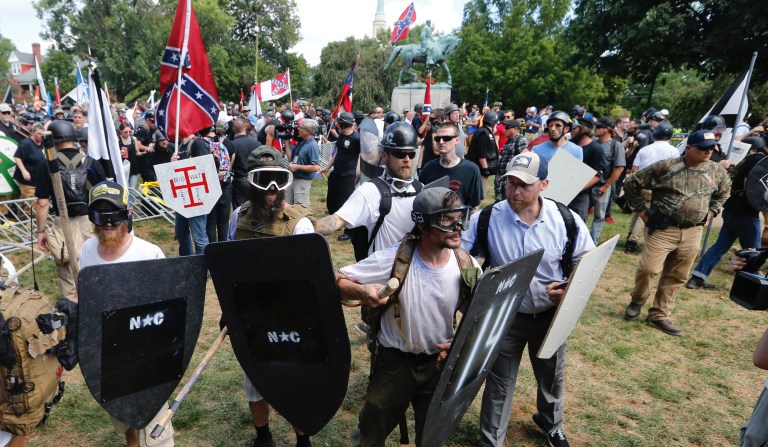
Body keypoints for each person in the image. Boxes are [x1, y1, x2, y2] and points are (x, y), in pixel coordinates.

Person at [461, 151, 594, 447]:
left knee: (551, 376)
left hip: (550, 317)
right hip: (506, 318)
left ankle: (551, 423)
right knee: (499, 383)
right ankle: (490, 441)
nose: (515, 191)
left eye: (524, 185)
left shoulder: (566, 219)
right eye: (510, 183)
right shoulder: (487, 218)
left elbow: (588, 260)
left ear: (544, 185)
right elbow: (459, 254)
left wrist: (569, 288)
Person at [337, 186, 479, 446]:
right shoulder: (392, 260)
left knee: (433, 434)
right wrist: (361, 290)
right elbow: (337, 280)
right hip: (394, 364)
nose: (457, 226)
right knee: (372, 430)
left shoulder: (466, 264)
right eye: (446, 220)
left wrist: (460, 346)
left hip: (439, 364)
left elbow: (480, 315)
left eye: (459, 217)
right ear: (423, 226)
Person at [227, 146, 313, 447]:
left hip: (289, 318)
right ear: (252, 182)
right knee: (255, 381)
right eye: (264, 180)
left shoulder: (299, 224)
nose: (272, 189)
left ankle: (303, 438)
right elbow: (229, 266)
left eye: (278, 179)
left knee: (294, 381)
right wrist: (231, 308)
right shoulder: (238, 218)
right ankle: (263, 436)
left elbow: (311, 282)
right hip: (252, 317)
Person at [78, 180, 172, 447]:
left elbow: (167, 310)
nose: (108, 223)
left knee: (154, 427)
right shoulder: (86, 251)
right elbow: (86, 300)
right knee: (121, 416)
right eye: (101, 215)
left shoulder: (149, 253)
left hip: (147, 353)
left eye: (115, 214)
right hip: (109, 355)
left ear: (128, 213)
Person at [622, 129, 730, 336]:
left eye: (711, 148)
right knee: (648, 269)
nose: (708, 152)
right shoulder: (667, 166)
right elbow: (631, 182)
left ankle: (659, 314)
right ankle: (637, 300)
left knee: (677, 275)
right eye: (703, 148)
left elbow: (723, 193)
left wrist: (711, 213)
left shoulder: (717, 171)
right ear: (689, 148)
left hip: (693, 231)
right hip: (664, 229)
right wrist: (642, 212)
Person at [315, 122, 422, 258]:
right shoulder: (370, 191)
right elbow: (337, 220)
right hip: (380, 274)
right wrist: (305, 226)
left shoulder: (421, 190)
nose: (407, 159)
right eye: (400, 153)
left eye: (411, 154)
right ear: (384, 155)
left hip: (414, 274)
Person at [35, 120, 107, 300]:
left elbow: (43, 203)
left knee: (67, 270)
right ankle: (97, 301)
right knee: (95, 262)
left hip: (62, 222)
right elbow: (103, 196)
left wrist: (41, 231)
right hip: (90, 221)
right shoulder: (92, 163)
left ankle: (72, 310)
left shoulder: (46, 165)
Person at [685, 136, 767, 289]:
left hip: (734, 209)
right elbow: (750, 186)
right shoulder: (759, 160)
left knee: (720, 246)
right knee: (754, 253)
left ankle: (696, 279)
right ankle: (754, 288)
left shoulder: (753, 157)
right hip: (745, 212)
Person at [624, 121, 679, 253]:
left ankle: (630, 235)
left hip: (640, 185)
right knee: (645, 215)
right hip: (658, 188)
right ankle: (632, 240)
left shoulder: (645, 149)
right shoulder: (674, 151)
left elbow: (634, 169)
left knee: (638, 211)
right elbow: (674, 172)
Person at [420, 122, 483, 209]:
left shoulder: (471, 169)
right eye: (437, 138)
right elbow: (421, 199)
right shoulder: (428, 167)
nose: (441, 142)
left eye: (446, 138)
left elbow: (475, 206)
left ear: (457, 140)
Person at [171, 128, 212, 256]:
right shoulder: (180, 145)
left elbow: (206, 168)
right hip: (183, 195)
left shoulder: (197, 143)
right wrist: (173, 165)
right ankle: (187, 263)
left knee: (199, 238)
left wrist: (181, 164)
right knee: (181, 233)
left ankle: (204, 267)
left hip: (196, 197)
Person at [322, 112, 360, 241]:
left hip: (348, 175)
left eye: (339, 123)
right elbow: (336, 153)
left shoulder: (357, 139)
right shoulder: (341, 137)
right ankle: (335, 223)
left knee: (347, 203)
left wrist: (358, 171)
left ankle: (350, 231)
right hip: (336, 173)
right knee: (332, 200)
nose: (337, 125)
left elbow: (362, 155)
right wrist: (327, 167)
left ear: (343, 124)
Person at [591, 117, 626, 242]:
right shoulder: (592, 142)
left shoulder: (616, 145)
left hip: (602, 186)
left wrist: (606, 186)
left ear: (607, 129)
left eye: (599, 127)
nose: (596, 129)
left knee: (599, 216)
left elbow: (619, 168)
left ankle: (592, 242)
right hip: (586, 185)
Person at [567, 118, 608, 223]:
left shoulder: (596, 149)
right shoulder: (568, 145)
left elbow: (598, 174)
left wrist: (576, 188)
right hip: (561, 192)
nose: (571, 130)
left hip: (580, 197)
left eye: (574, 128)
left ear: (583, 129)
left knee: (576, 225)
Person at [287, 118, 321, 206]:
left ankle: (306, 220)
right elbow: (291, 159)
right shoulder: (302, 142)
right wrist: (286, 142)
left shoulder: (312, 146)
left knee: (301, 207)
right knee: (288, 204)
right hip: (294, 178)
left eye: (300, 127)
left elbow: (316, 167)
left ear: (308, 131)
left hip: (303, 180)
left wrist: (297, 167)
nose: (298, 129)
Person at [230, 117, 261, 209]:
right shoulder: (256, 144)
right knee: (255, 209)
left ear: (233, 129)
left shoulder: (232, 145)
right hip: (255, 180)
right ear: (245, 127)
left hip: (240, 181)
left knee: (239, 211)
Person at [495, 119, 528, 201]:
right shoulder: (509, 142)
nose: (504, 130)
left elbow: (524, 161)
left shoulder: (521, 140)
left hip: (512, 181)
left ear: (516, 129)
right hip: (503, 180)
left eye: (507, 127)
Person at [12, 123, 45, 198]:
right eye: (39, 134)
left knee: (28, 204)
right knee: (30, 204)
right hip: (27, 181)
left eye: (42, 134)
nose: (41, 136)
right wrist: (24, 171)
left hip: (38, 180)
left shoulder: (44, 143)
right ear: (33, 133)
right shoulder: (26, 143)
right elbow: (17, 157)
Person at [466, 111, 498, 179]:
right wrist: (485, 170)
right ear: (492, 124)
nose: (496, 126)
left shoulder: (486, 132)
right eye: (496, 124)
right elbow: (481, 154)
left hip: (479, 169)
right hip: (479, 170)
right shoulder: (483, 133)